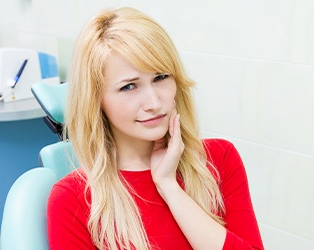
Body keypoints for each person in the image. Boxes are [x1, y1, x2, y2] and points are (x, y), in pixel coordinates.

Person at [47, 7, 264, 250]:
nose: (154, 103)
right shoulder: (72, 201)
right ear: (96, 99)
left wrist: (169, 187)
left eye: (160, 77)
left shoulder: (219, 160)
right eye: (129, 87)